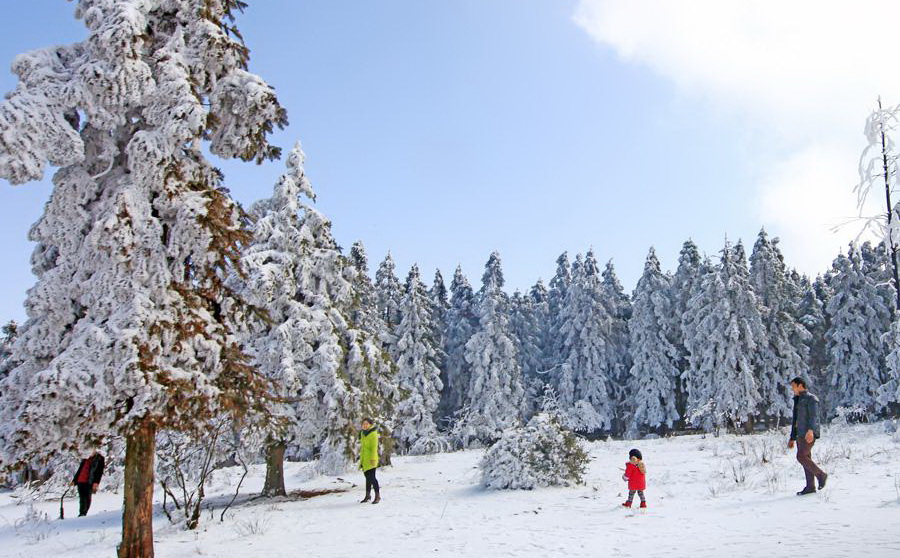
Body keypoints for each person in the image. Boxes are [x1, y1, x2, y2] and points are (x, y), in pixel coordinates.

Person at [788, 377, 827, 496]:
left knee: (801, 456)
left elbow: (814, 417)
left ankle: (821, 475)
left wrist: (810, 431)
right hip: (800, 434)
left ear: (800, 386)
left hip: (808, 434)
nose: (792, 389)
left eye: (794, 386)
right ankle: (810, 486)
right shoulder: (798, 400)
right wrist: (792, 438)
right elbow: (795, 420)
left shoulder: (811, 399)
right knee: (806, 458)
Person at [72, 449, 105, 516]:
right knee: (82, 498)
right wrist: (74, 480)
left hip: (89, 481)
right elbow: (80, 469)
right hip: (80, 480)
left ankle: (83, 513)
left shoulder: (100, 459)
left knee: (87, 498)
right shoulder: (85, 457)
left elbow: (99, 472)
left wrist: (96, 482)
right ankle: (82, 513)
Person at [359, 418, 380, 505]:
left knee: (372, 478)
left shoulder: (373, 434)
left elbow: (374, 448)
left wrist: (373, 459)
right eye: (363, 424)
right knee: (367, 478)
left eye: (366, 424)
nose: (365, 425)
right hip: (364, 459)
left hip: (371, 459)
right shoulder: (363, 433)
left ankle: (377, 496)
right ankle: (368, 495)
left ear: (370, 424)